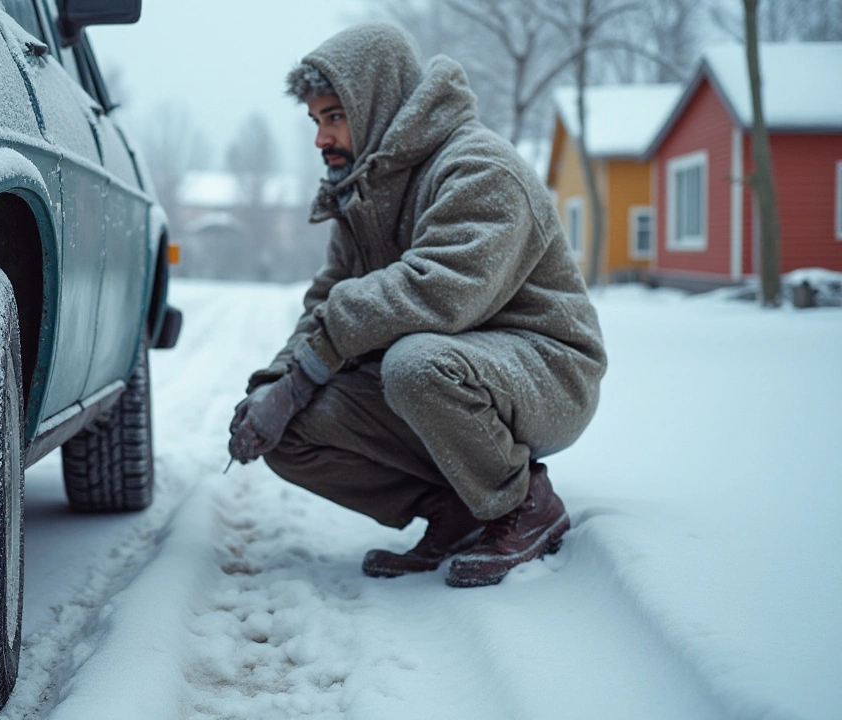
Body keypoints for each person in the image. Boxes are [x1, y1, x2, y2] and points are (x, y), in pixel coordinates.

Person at [227, 23, 607, 588]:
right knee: (293, 432)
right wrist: (280, 385)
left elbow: (437, 291)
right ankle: (455, 510)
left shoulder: (479, 168)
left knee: (416, 363)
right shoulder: (364, 191)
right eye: (316, 121)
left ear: (375, 102)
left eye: (334, 117)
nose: (320, 138)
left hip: (547, 372)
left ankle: (524, 506)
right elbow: (326, 300)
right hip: (451, 373)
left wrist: (306, 373)